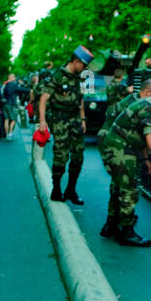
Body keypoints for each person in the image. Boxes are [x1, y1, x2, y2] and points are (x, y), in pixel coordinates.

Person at [96, 79, 151, 247]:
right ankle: (127, 233)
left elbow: (140, 134)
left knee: (118, 186)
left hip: (122, 145)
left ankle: (110, 226)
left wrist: (145, 159)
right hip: (120, 147)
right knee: (129, 188)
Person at [37, 46, 91, 204]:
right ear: (75, 61)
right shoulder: (57, 76)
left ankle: (71, 190)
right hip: (60, 119)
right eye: (84, 65)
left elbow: (80, 98)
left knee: (78, 156)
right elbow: (43, 99)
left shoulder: (78, 77)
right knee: (61, 156)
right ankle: (56, 189)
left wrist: (83, 119)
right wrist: (42, 121)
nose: (85, 68)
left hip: (75, 120)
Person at [0, 72, 22, 141]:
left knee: (6, 119)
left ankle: (5, 134)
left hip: (3, 104)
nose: (15, 78)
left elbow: (1, 93)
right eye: (14, 77)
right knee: (13, 119)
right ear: (10, 77)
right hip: (11, 104)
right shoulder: (11, 85)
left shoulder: (4, 84)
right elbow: (20, 90)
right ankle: (10, 134)